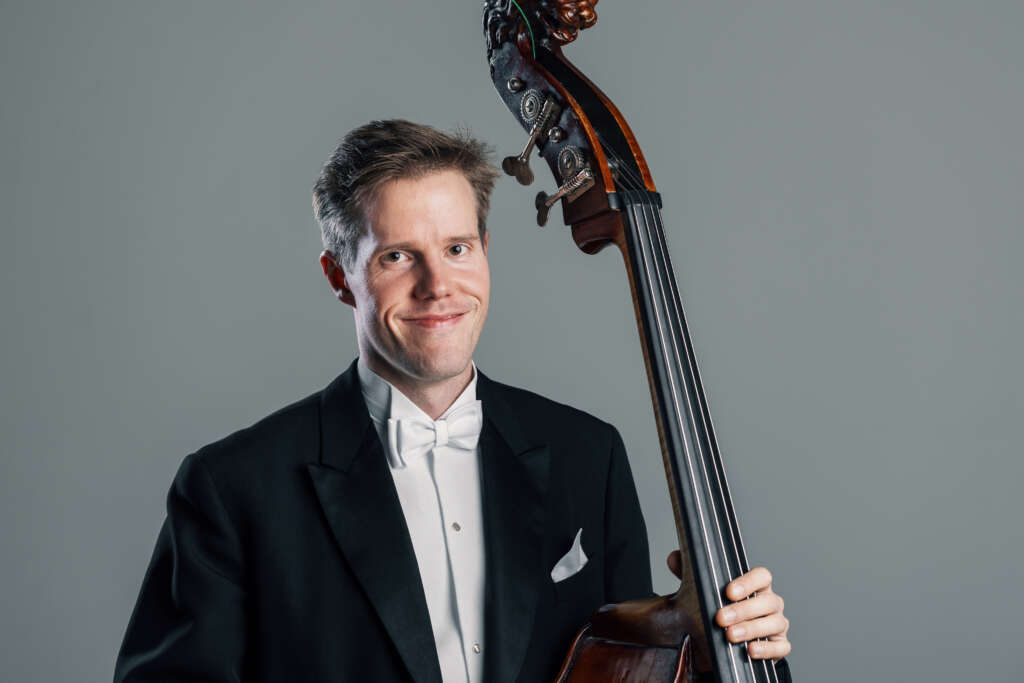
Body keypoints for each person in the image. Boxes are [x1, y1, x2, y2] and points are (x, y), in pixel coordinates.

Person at [114, 120, 791, 682]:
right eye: (397, 257)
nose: (438, 284)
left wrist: (710, 643)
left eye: (457, 248)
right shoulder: (232, 488)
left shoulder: (589, 455)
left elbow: (629, 668)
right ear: (339, 276)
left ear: (486, 250)